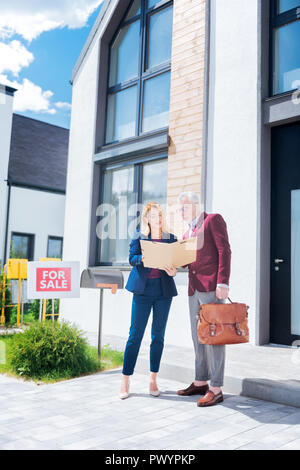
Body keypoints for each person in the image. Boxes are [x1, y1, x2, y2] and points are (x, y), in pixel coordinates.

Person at [176, 191, 231, 407]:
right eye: (180, 209)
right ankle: (201, 381)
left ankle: (216, 388)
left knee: (214, 337)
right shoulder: (188, 231)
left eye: (185, 207)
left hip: (212, 288)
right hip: (193, 290)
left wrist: (223, 282)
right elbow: (187, 261)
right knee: (197, 336)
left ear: (196, 205)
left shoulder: (212, 220)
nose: (182, 211)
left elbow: (224, 250)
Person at [119, 202, 178, 399]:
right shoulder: (139, 235)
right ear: (147, 218)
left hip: (163, 292)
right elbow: (131, 258)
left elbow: (175, 264)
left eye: (160, 216)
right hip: (142, 292)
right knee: (135, 335)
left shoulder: (171, 239)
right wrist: (143, 258)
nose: (157, 219)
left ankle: (153, 379)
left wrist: (173, 270)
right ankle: (125, 380)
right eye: (154, 216)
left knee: (158, 336)